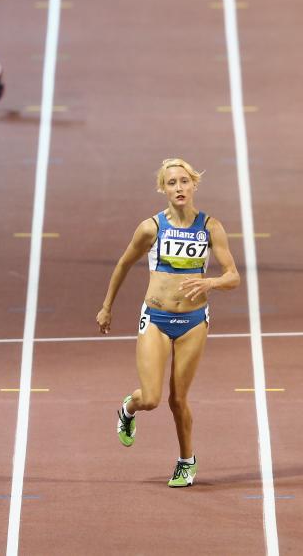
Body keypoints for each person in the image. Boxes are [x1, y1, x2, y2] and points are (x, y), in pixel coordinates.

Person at [96, 159, 240, 487]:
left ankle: (186, 461)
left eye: (184, 182)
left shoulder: (210, 227)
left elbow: (233, 276)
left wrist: (210, 283)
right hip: (157, 317)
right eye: (172, 182)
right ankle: (128, 409)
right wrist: (106, 307)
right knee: (150, 398)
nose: (179, 188)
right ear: (163, 188)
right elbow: (122, 264)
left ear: (194, 185)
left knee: (178, 399)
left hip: (193, 322)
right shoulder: (151, 227)